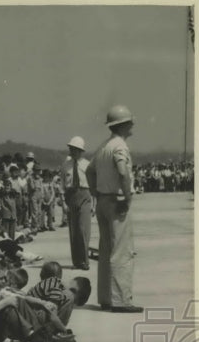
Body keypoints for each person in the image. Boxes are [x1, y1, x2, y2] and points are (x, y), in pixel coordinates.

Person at [86, 105, 141, 312]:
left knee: (106, 249)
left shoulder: (104, 146)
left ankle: (106, 298)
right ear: (123, 124)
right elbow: (123, 172)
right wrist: (126, 197)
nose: (133, 124)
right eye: (130, 121)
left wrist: (96, 193)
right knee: (121, 251)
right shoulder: (120, 146)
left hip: (102, 201)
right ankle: (121, 301)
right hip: (117, 202)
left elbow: (90, 171)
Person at [60, 136, 92, 269]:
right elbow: (62, 185)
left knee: (83, 229)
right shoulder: (65, 165)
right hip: (70, 196)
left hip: (85, 195)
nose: (72, 151)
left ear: (81, 150)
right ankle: (77, 261)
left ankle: (85, 261)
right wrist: (63, 202)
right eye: (71, 149)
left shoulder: (87, 165)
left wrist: (94, 204)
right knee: (73, 230)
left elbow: (92, 185)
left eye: (75, 149)